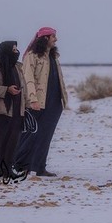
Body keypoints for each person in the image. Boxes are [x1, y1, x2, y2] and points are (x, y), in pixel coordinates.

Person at [14, 27, 68, 177]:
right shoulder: (32, 56)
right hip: (37, 102)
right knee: (30, 134)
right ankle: (20, 165)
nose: (55, 39)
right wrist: (33, 99)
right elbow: (28, 78)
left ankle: (39, 167)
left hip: (54, 103)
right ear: (45, 38)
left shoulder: (52, 56)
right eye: (53, 37)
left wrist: (64, 98)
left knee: (45, 135)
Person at [0, 40, 25, 175]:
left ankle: (7, 168)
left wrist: (27, 104)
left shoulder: (17, 67)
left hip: (17, 109)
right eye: (14, 50)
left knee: (13, 140)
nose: (16, 52)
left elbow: (24, 87)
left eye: (17, 50)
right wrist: (6, 90)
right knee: (0, 140)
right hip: (2, 109)